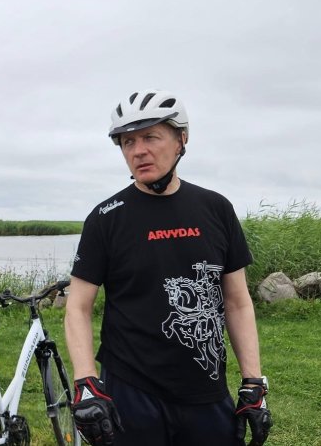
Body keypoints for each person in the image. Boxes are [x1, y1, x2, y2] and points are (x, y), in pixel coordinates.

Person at [64, 89, 272, 446]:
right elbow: (78, 307)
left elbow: (237, 302)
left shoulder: (216, 209)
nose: (138, 150)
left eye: (150, 137)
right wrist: (86, 382)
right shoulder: (105, 218)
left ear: (181, 140)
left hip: (204, 387)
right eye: (127, 142)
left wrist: (254, 383)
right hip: (131, 389)